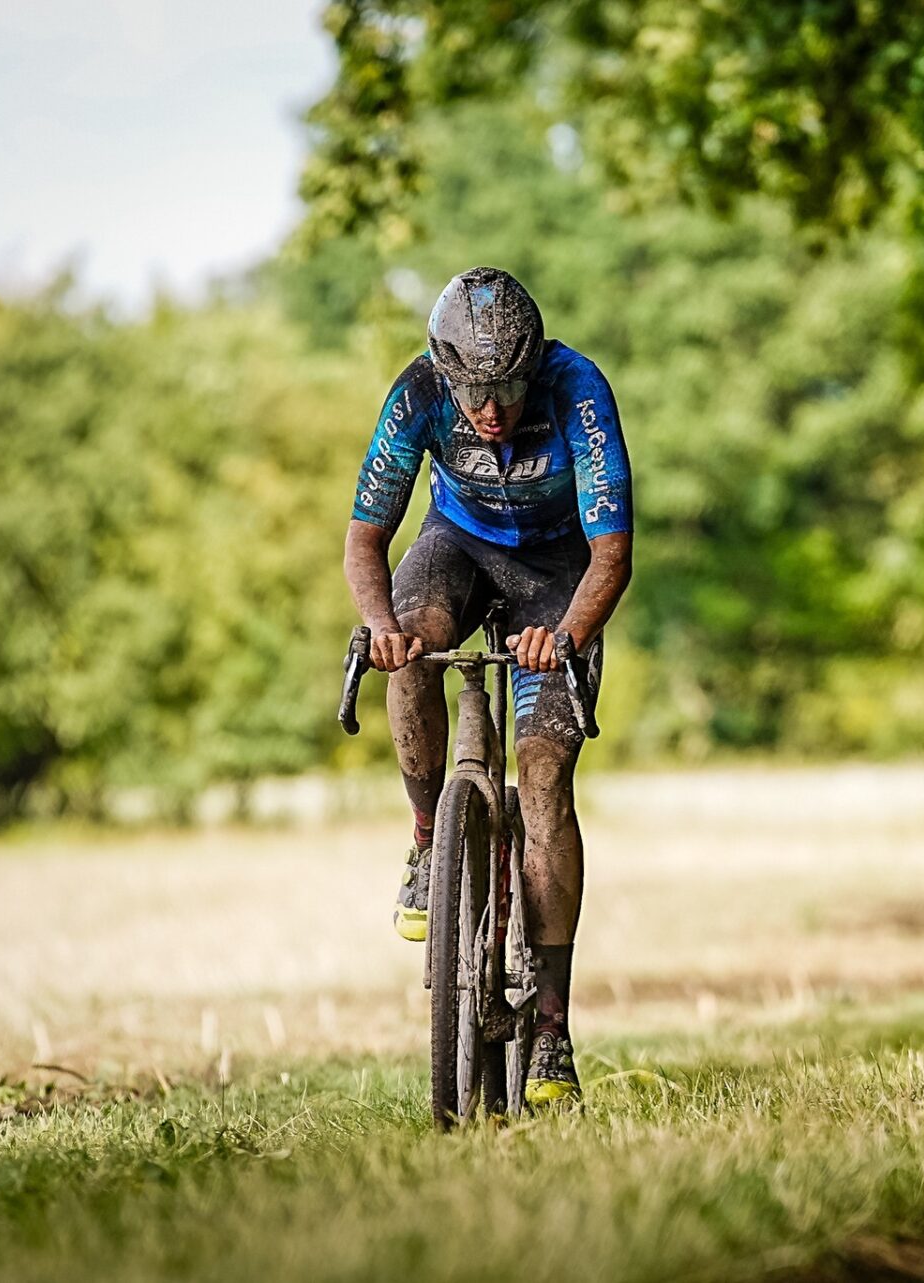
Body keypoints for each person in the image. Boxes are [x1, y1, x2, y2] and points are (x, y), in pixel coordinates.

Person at [343, 267, 632, 1105]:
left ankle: (552, 1029)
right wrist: (381, 626)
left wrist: (565, 636)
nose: (491, 408)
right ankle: (428, 838)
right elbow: (365, 541)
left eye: (507, 387)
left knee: (543, 776)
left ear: (534, 366)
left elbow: (612, 556)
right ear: (445, 372)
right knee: (409, 654)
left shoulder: (578, 391)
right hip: (458, 548)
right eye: (473, 390)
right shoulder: (417, 394)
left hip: (558, 573)